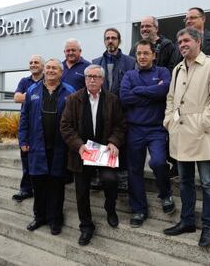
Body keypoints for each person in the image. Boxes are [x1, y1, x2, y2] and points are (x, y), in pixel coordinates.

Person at [163, 27, 210, 249]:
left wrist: (200, 123)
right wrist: (169, 120)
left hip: (202, 135)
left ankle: (209, 226)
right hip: (180, 134)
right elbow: (171, 98)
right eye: (179, 41)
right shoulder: (178, 68)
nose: (182, 44)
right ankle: (187, 221)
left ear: (198, 41)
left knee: (208, 183)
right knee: (185, 182)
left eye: (186, 40)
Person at [60, 64, 126, 246]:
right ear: (85, 79)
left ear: (102, 80)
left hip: (104, 153)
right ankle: (86, 226)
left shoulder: (112, 100)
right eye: (89, 76)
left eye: (96, 76)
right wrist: (79, 146)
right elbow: (65, 127)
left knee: (111, 180)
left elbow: (121, 125)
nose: (92, 79)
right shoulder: (73, 99)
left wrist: (114, 141)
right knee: (81, 192)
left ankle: (110, 208)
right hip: (82, 153)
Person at [120, 39, 175, 228]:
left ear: (154, 55)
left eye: (146, 53)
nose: (142, 57)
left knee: (159, 161)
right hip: (134, 128)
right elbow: (125, 97)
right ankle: (139, 209)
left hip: (156, 129)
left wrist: (140, 91)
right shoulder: (128, 75)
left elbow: (165, 90)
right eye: (139, 54)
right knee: (134, 170)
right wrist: (152, 95)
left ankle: (165, 194)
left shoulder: (163, 72)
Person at [18, 58, 75, 235]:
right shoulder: (32, 90)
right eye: (48, 67)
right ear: (44, 70)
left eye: (54, 68)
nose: (50, 70)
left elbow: (74, 120)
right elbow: (24, 118)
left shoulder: (69, 92)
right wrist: (23, 141)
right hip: (37, 146)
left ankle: (55, 219)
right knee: (39, 183)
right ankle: (39, 216)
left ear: (61, 72)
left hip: (60, 148)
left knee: (56, 185)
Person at [92, 27, 136, 192]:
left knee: (122, 142)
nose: (110, 41)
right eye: (107, 38)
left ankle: (123, 177)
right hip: (101, 107)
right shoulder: (95, 62)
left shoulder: (130, 62)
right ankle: (98, 174)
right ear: (104, 41)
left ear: (119, 41)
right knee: (99, 139)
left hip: (123, 108)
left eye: (113, 38)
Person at [12, 55, 44, 202]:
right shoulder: (25, 81)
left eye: (36, 62)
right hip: (28, 126)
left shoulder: (47, 80)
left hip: (43, 126)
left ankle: (40, 190)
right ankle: (25, 189)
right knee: (26, 159)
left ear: (42, 66)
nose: (33, 64)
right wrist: (35, 95)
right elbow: (17, 98)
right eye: (31, 62)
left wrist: (28, 95)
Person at [174, 7, 210, 77]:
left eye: (192, 18)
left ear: (203, 19)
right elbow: (175, 66)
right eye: (186, 19)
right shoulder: (178, 44)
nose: (188, 21)